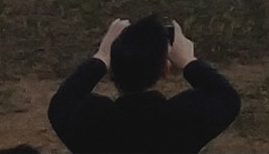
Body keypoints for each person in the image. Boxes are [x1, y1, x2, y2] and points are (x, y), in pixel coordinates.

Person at [48, 18, 238, 154]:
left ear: (112, 72)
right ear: (165, 69)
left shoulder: (93, 121)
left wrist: (102, 57)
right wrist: (188, 61)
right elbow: (227, 98)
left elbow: (62, 103)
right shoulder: (181, 119)